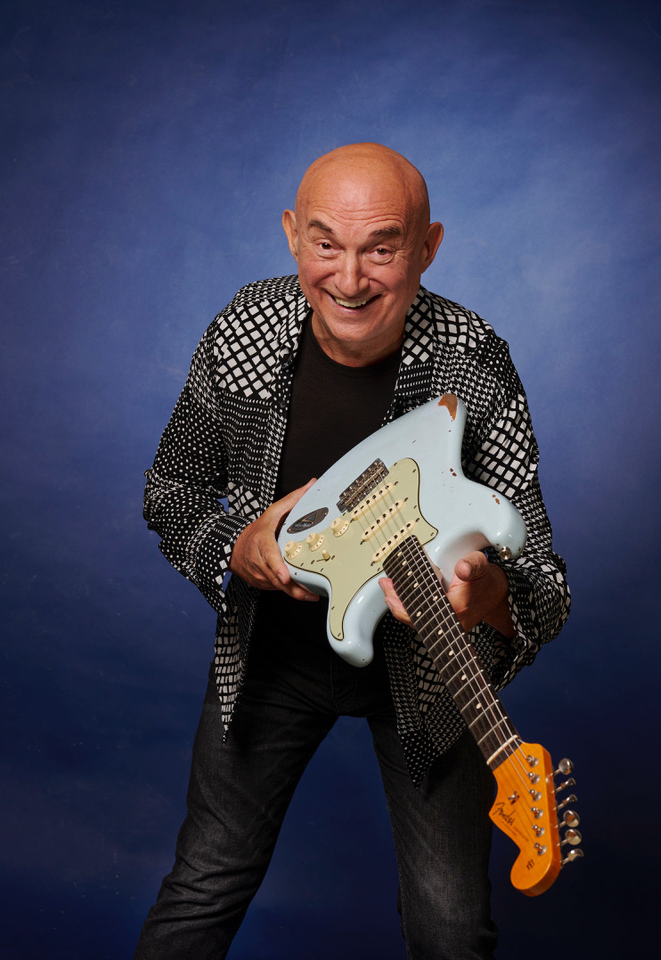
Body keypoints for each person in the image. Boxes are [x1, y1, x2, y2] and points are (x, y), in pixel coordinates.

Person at [135, 143, 570, 960]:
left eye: (382, 248)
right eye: (326, 244)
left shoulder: (474, 361)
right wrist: (239, 547)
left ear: (428, 248)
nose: (349, 277)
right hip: (272, 658)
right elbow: (172, 491)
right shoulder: (245, 329)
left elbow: (544, 580)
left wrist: (486, 596)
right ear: (292, 234)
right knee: (204, 882)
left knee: (451, 928)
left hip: (431, 678)